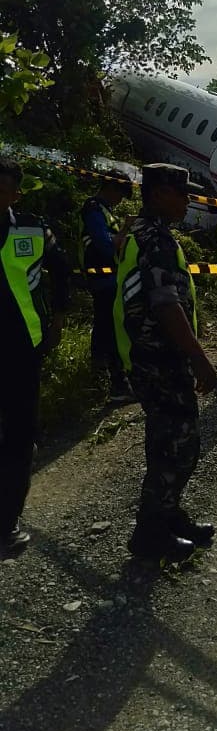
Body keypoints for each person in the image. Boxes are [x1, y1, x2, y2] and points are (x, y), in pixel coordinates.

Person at [113, 164, 217, 563]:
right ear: (158, 194)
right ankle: (149, 532)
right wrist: (199, 358)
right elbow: (165, 304)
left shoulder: (141, 231)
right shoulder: (154, 239)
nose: (187, 200)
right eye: (181, 193)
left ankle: (168, 516)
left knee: (166, 441)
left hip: (150, 355)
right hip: (159, 358)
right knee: (178, 446)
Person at [0, 155, 70, 558]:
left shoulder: (33, 228)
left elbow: (62, 271)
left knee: (19, 437)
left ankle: (6, 522)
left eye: (2, 189)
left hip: (22, 349)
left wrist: (58, 319)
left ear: (16, 194)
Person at [79, 170, 134, 404]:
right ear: (111, 188)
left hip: (110, 279)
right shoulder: (93, 209)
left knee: (106, 327)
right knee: (110, 330)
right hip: (102, 279)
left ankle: (102, 379)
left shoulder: (104, 211)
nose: (120, 200)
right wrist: (126, 228)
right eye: (120, 194)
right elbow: (106, 246)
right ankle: (116, 385)